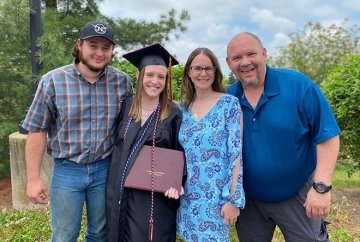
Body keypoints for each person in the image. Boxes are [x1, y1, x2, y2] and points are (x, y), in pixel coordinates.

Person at [22, 21, 132, 241]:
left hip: (105, 169)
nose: (99, 52)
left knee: (100, 233)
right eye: (93, 45)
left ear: (112, 51)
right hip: (67, 171)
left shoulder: (121, 82)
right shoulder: (52, 81)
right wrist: (33, 179)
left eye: (105, 47)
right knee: (64, 235)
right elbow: (37, 130)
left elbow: (129, 125)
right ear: (79, 45)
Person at [226, 32, 341, 242]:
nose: (245, 62)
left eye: (251, 54)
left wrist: (321, 188)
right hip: (250, 201)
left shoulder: (299, 86)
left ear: (264, 54)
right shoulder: (227, 99)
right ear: (228, 63)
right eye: (236, 58)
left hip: (297, 195)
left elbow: (327, 136)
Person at [105, 43, 185, 242]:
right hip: (119, 191)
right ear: (139, 76)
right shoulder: (125, 106)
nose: (155, 81)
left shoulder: (173, 113)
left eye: (161, 76)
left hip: (152, 198)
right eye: (150, 75)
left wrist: (178, 182)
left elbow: (181, 152)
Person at [176, 47, 245, 241]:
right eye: (197, 68)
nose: (203, 73)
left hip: (216, 197)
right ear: (189, 72)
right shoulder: (181, 109)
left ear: (216, 72)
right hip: (186, 197)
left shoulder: (229, 105)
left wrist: (233, 199)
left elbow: (236, 154)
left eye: (208, 68)